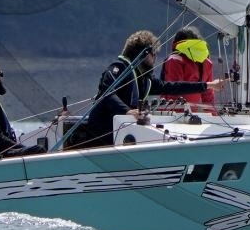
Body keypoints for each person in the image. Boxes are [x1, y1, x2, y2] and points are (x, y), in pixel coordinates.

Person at [64, 30, 223, 150]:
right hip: (101, 137)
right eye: (154, 54)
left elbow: (173, 86)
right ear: (144, 54)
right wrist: (127, 111)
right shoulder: (118, 69)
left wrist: (208, 85)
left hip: (121, 136)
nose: (155, 59)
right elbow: (108, 94)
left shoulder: (145, 80)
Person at [161, 28, 216, 107]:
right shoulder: (207, 62)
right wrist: (212, 113)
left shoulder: (174, 59)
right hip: (193, 112)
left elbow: (174, 89)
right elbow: (208, 96)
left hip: (173, 111)